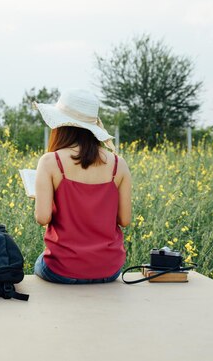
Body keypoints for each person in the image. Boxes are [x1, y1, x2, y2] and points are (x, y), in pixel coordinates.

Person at [32, 88, 132, 284]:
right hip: (109, 270)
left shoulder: (50, 162)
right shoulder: (119, 164)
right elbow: (125, 220)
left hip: (61, 269)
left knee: (39, 262)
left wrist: (45, 197)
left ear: (60, 125)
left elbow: (42, 218)